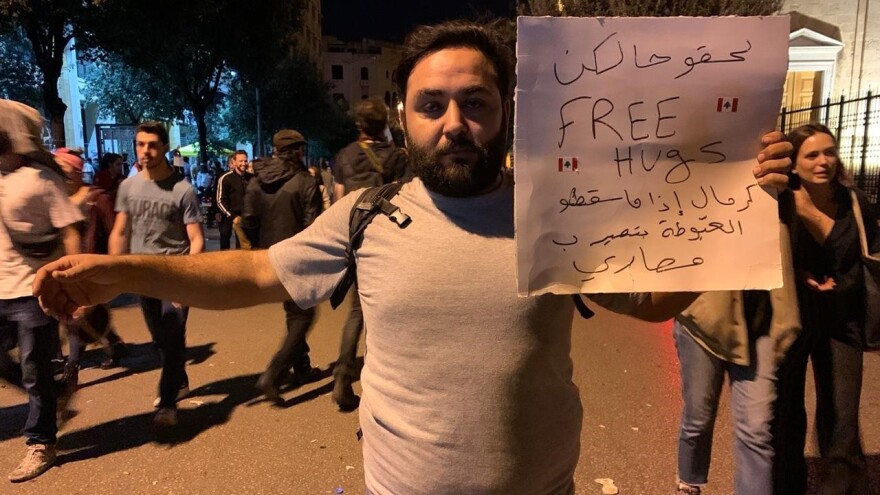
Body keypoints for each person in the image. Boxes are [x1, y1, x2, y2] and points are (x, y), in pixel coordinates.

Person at [34, 21, 792, 494]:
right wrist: (122, 269)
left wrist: (730, 218)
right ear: (404, 115)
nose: (455, 123)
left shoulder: (555, 212)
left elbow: (655, 303)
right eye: (433, 105)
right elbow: (258, 271)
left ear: (504, 113)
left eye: (476, 103)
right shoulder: (366, 214)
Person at [773, 124, 880, 495]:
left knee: (842, 414)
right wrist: (800, 275)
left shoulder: (855, 202)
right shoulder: (780, 201)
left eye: (829, 152)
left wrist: (842, 285)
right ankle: (787, 484)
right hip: (793, 318)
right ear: (794, 163)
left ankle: (843, 485)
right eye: (813, 155)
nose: (824, 162)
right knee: (785, 413)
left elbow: (868, 259)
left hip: (842, 319)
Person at [0, 100, 82, 482]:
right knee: (27, 372)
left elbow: (69, 230)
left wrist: (75, 285)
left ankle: (41, 442)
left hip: (33, 288)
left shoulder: (41, 179)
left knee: (35, 369)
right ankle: (56, 392)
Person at [108, 121, 204, 428]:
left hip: (175, 275)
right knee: (161, 342)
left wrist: (186, 280)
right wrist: (112, 269)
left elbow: (197, 239)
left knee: (173, 337)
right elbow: (120, 231)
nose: (145, 150)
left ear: (163, 147)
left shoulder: (183, 189)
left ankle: (167, 403)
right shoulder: (127, 186)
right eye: (140, 144)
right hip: (142, 276)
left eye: (152, 144)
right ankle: (180, 380)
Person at [330, 97, 410, 410]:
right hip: (386, 240)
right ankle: (383, 383)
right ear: (384, 126)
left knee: (354, 313)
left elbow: (337, 199)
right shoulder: (397, 157)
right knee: (385, 312)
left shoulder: (344, 155)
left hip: (352, 236)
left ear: (359, 126)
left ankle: (342, 378)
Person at [244, 130, 323, 402]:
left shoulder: (255, 182)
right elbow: (313, 225)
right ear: (298, 151)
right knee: (303, 316)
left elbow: (248, 220)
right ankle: (274, 373)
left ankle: (302, 367)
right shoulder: (304, 181)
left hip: (267, 258)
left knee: (293, 313)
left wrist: (259, 247)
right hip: (297, 257)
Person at [216, 151, 250, 250]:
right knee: (225, 240)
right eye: (240, 161)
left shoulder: (251, 178)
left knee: (243, 245)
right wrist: (232, 216)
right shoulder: (225, 178)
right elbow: (220, 200)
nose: (244, 163)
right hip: (228, 216)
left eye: (245, 161)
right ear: (234, 162)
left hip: (245, 216)